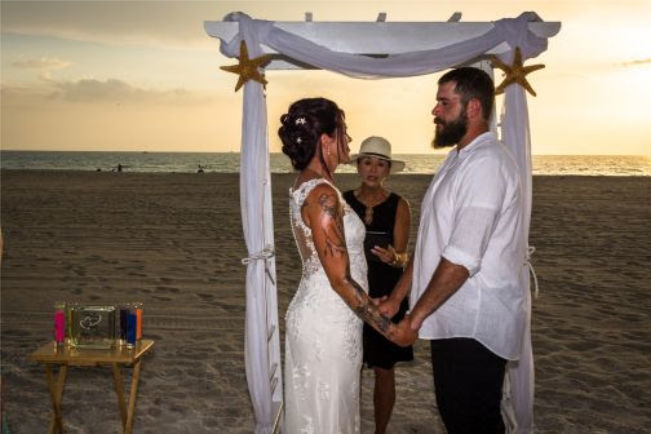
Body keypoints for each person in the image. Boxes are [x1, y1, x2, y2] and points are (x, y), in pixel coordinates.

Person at [380, 67, 526, 433]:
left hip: (475, 322)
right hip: (451, 316)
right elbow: (434, 241)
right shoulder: (458, 160)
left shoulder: (487, 164)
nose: (435, 111)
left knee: (472, 422)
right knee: (457, 416)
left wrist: (412, 321)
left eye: (444, 103)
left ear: (473, 108)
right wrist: (398, 299)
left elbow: (462, 257)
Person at [279, 98, 412, 433]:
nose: (349, 142)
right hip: (327, 319)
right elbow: (339, 279)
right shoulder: (322, 193)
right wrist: (389, 328)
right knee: (327, 418)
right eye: (345, 133)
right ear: (326, 140)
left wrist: (375, 300)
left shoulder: (314, 186)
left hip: (335, 314)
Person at [343, 136, 413, 434]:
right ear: (358, 166)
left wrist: (392, 257)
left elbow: (404, 257)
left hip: (386, 294)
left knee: (384, 369)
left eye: (380, 164)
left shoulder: (400, 205)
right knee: (349, 366)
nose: (373, 169)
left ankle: (380, 431)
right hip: (349, 291)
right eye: (367, 162)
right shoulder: (340, 201)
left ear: (387, 170)